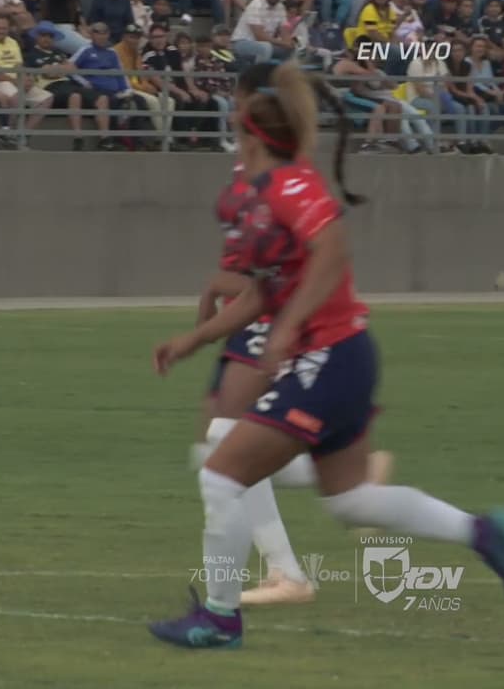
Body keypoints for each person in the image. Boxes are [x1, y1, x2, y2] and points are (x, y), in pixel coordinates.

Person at [148, 61, 504, 649]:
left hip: (328, 357)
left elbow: (333, 251)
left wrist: (288, 328)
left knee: (221, 472)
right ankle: (487, 533)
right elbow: (266, 288)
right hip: (342, 356)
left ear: (250, 134)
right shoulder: (270, 194)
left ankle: (218, 618)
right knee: (351, 500)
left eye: (236, 132)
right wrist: (196, 338)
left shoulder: (291, 186)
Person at [192, 61, 394, 607]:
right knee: (218, 442)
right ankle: (285, 565)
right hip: (262, 312)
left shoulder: (271, 169)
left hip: (275, 319)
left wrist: (230, 294)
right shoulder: (265, 163)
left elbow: (296, 256)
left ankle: (282, 574)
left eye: (234, 100)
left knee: (222, 443)